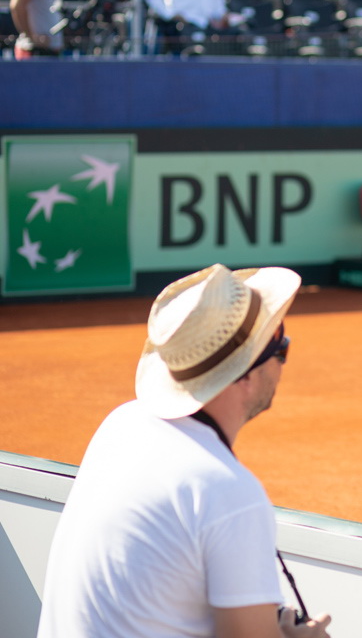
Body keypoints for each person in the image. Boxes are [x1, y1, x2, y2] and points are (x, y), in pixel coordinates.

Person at [36, 263, 333, 638]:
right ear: (244, 375)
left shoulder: (121, 424)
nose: (284, 357)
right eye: (280, 346)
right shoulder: (227, 490)